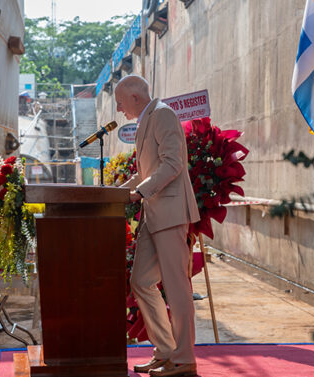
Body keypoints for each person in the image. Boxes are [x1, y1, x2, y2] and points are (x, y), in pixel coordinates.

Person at [116, 75, 200, 377]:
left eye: (120, 102)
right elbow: (146, 172)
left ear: (135, 97)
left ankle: (184, 360)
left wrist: (139, 192)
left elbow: (172, 163)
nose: (118, 108)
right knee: (141, 281)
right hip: (153, 215)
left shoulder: (163, 114)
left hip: (171, 213)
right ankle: (165, 351)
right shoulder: (146, 120)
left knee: (177, 288)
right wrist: (119, 192)